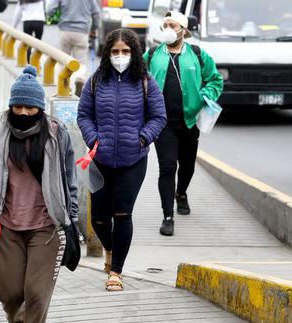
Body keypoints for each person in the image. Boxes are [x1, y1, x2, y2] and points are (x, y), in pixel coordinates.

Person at [0, 66, 79, 323]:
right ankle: (20, 322)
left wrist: (73, 218)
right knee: (9, 292)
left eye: (30, 107)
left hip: (47, 226)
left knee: (36, 294)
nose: (23, 112)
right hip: (7, 224)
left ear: (40, 108)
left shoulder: (57, 135)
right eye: (18, 106)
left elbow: (70, 180)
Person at [77, 29, 166, 291]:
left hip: (133, 160)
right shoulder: (96, 81)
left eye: (125, 51)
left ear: (134, 53)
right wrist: (94, 138)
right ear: (107, 53)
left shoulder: (145, 81)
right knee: (99, 219)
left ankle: (116, 271)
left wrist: (142, 139)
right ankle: (110, 248)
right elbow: (84, 115)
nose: (120, 56)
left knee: (122, 213)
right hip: (99, 160)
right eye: (115, 52)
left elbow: (158, 117)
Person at [144, 11, 223, 236]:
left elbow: (215, 79)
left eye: (173, 25)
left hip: (190, 121)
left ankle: (181, 193)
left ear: (184, 31)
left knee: (187, 166)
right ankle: (167, 216)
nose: (168, 28)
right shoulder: (152, 55)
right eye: (165, 24)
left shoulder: (197, 54)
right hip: (162, 124)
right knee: (167, 166)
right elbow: (135, 78)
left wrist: (203, 95)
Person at [45, 0, 100, 80]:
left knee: (63, 60)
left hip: (65, 30)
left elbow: (49, 9)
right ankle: (79, 79)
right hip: (82, 31)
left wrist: (54, 16)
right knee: (80, 63)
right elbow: (96, 13)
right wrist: (94, 28)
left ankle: (63, 85)